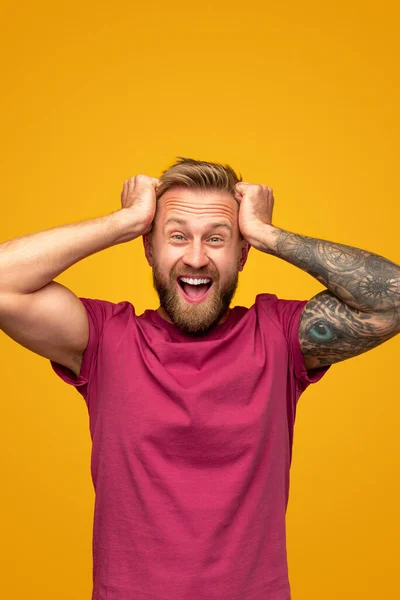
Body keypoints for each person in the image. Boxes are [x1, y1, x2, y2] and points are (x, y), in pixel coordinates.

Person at [0, 156, 398, 600]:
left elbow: (391, 300)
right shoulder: (105, 339)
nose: (195, 257)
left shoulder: (279, 336)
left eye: (216, 238)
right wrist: (124, 221)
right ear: (148, 248)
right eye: (176, 236)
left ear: (242, 253)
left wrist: (269, 234)